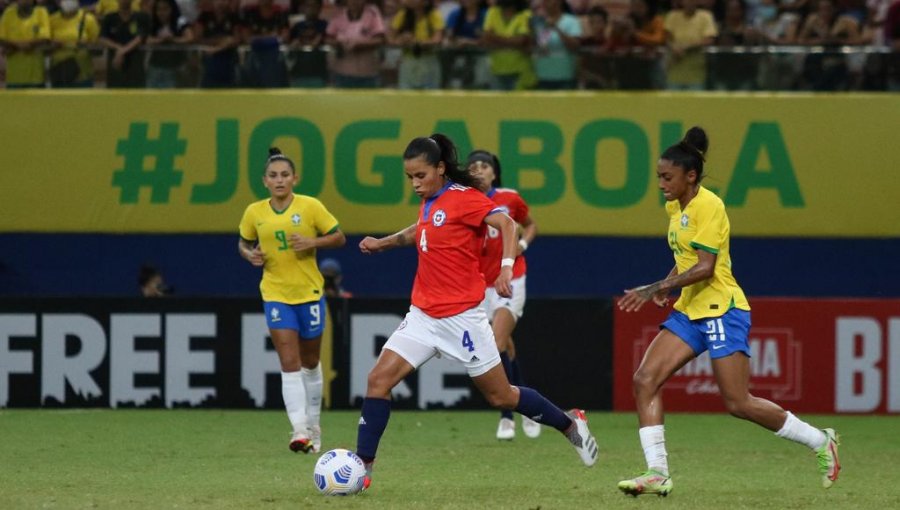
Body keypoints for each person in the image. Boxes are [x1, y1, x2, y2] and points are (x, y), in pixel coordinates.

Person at [354, 134, 598, 490]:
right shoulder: (430, 201)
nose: (415, 184)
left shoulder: (466, 199)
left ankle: (570, 424)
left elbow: (508, 224)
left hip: (462, 319)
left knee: (502, 396)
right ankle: (363, 469)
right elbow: (420, 231)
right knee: (378, 381)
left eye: (420, 175)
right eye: (410, 178)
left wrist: (505, 266)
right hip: (423, 317)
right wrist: (384, 243)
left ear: (440, 169)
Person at [615, 127, 841, 497]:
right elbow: (687, 258)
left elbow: (706, 266)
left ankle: (820, 441)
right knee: (645, 379)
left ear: (690, 177)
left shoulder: (710, 206)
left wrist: (658, 287)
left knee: (738, 403)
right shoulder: (677, 206)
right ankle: (657, 472)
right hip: (691, 310)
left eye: (667, 177)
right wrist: (669, 281)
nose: (660, 184)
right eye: (658, 176)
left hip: (721, 308)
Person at [238, 147, 347, 454]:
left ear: (295, 178)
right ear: (264, 181)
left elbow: (339, 237)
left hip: (310, 293)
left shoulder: (310, 207)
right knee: (289, 362)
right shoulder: (254, 212)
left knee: (310, 362)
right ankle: (299, 429)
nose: (279, 180)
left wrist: (313, 241)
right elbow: (243, 243)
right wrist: (250, 255)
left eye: (285, 175)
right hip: (275, 293)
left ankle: (314, 425)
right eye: (273, 176)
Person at [467, 149, 540, 441]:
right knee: (506, 347)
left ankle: (507, 416)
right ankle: (529, 406)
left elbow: (531, 224)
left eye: (484, 166)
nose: (479, 170)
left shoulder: (509, 198)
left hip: (510, 278)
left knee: (495, 341)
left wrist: (522, 244)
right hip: (480, 285)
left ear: (494, 173)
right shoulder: (463, 202)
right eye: (473, 167)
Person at [0, 0, 51, 88]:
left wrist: (16, 47)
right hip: (14, 77)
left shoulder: (41, 12)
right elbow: (2, 38)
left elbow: (45, 38)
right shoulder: (8, 13)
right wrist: (20, 45)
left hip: (36, 76)